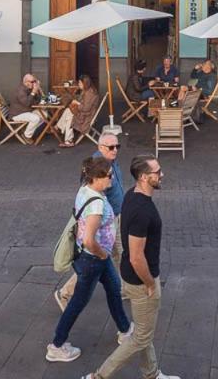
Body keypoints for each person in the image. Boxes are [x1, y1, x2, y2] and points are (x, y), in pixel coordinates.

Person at [82, 155, 178, 379]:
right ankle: (98, 376)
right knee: (140, 337)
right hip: (141, 280)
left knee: (144, 331)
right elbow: (136, 257)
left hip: (132, 276)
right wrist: (150, 284)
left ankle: (151, 374)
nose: (162, 174)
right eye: (157, 172)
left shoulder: (131, 195)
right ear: (144, 177)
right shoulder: (142, 211)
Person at [47, 156, 132, 364]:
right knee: (78, 302)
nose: (112, 179)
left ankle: (125, 330)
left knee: (114, 288)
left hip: (95, 258)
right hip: (93, 259)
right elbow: (88, 240)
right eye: (109, 176)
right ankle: (57, 346)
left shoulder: (85, 190)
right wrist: (102, 254)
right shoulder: (96, 205)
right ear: (96, 177)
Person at [56, 133, 124, 309]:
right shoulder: (96, 167)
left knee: (119, 254)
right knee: (96, 261)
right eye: (111, 147)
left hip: (115, 217)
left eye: (117, 146)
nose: (115, 150)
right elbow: (90, 193)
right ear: (100, 147)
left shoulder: (112, 162)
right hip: (104, 223)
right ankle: (65, 292)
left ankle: (122, 288)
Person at [57, 74, 101, 148]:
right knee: (68, 110)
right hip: (86, 113)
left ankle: (68, 140)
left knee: (70, 116)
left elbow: (86, 108)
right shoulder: (87, 90)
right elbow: (82, 101)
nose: (79, 84)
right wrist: (75, 100)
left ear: (85, 83)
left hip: (87, 116)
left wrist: (77, 103)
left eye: (80, 83)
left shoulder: (90, 93)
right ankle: (59, 127)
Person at [8, 73, 45, 140]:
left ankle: (27, 131)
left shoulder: (28, 88)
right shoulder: (20, 90)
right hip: (17, 114)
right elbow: (27, 103)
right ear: (25, 82)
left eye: (34, 81)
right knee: (36, 118)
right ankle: (27, 136)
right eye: (32, 82)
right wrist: (33, 92)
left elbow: (37, 101)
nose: (34, 83)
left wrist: (38, 90)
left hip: (25, 111)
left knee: (44, 115)